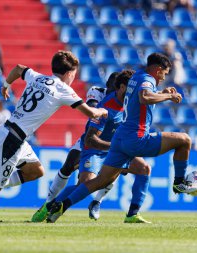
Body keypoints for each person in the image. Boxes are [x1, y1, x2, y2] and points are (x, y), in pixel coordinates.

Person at [0, 50, 108, 224]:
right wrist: (102, 110)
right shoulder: (63, 90)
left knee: (35, 171)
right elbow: (91, 113)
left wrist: (6, 85)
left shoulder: (38, 77)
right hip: (12, 140)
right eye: (74, 74)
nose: (73, 78)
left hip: (14, 134)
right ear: (69, 73)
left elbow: (19, 68)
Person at [46, 53, 197, 223]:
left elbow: (141, 95)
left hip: (120, 138)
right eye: (164, 73)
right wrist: (169, 96)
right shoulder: (147, 80)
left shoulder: (137, 77)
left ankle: (62, 205)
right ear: (157, 70)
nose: (164, 77)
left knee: (101, 180)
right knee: (184, 140)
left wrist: (162, 93)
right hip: (137, 138)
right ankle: (179, 183)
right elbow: (145, 97)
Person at [34, 70, 152, 223]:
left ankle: (132, 214)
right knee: (84, 182)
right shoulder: (104, 107)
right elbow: (91, 139)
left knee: (144, 169)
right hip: (95, 148)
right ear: (121, 88)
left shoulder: (131, 105)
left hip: (116, 148)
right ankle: (50, 206)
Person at [29, 72, 120, 219]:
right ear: (107, 86)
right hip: (90, 140)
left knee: (113, 173)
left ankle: (97, 202)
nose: (112, 93)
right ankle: (48, 204)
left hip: (110, 143)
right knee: (68, 167)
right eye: (111, 89)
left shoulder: (126, 100)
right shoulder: (97, 91)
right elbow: (91, 109)